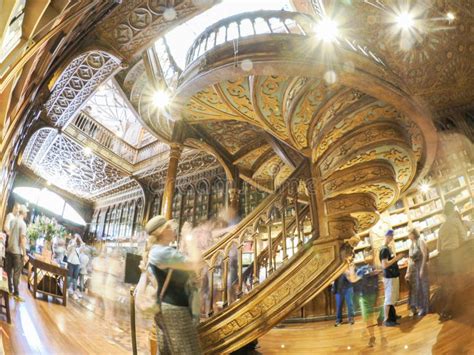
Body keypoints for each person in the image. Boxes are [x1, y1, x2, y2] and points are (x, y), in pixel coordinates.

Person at [143, 215, 202, 355]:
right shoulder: (162, 252)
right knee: (189, 351)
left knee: (167, 351)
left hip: (168, 306)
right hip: (174, 309)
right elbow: (196, 262)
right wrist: (189, 237)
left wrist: (190, 280)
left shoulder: (160, 251)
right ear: (162, 231)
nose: (173, 229)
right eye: (170, 227)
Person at [436, 201, 467, 321]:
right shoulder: (455, 221)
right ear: (453, 209)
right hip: (455, 255)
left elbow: (438, 248)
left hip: (444, 258)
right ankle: (449, 310)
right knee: (457, 283)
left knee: (449, 284)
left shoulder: (441, 227)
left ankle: (447, 309)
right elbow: (464, 238)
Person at [354, 251, 382, 347]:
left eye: (370, 254)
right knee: (368, 317)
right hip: (364, 297)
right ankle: (372, 337)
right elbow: (356, 279)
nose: (368, 257)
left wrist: (378, 296)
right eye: (366, 255)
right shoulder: (361, 269)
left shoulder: (375, 268)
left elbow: (377, 282)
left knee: (373, 316)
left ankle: (377, 333)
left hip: (373, 295)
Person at [379, 229, 404, 326]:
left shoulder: (387, 248)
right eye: (391, 236)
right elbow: (384, 265)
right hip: (389, 276)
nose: (392, 238)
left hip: (392, 275)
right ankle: (387, 320)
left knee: (392, 297)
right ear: (387, 236)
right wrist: (397, 258)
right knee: (389, 297)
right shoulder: (384, 249)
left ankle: (392, 315)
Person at [5, 204, 28, 301]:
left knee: (8, 272)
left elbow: (9, 233)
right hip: (17, 252)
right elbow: (22, 240)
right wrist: (25, 254)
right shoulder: (23, 224)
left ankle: (9, 291)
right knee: (16, 274)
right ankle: (16, 293)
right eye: (26, 212)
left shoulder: (13, 220)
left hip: (9, 249)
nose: (27, 214)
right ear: (24, 213)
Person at [406, 229, 430, 317]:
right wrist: (408, 272)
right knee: (418, 289)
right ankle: (421, 308)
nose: (408, 236)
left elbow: (424, 255)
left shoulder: (421, 241)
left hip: (421, 266)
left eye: (409, 234)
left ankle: (426, 308)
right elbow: (410, 259)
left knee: (424, 287)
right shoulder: (412, 244)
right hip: (415, 268)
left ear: (413, 234)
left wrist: (422, 269)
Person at [66, 234, 82, 300]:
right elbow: (70, 246)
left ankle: (74, 292)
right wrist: (74, 239)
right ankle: (66, 290)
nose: (75, 242)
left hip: (77, 264)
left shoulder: (79, 248)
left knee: (75, 279)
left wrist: (79, 238)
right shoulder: (70, 246)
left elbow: (83, 244)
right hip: (71, 262)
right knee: (69, 277)